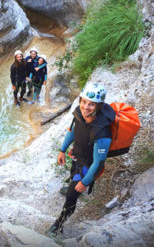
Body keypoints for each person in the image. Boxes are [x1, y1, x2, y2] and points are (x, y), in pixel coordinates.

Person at [47, 83, 116, 236]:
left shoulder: (103, 133)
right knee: (73, 176)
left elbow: (98, 163)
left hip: (88, 166)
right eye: (84, 102)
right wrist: (62, 150)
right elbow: (72, 131)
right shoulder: (79, 112)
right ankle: (73, 185)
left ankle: (58, 225)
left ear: (98, 106)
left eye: (91, 104)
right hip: (77, 157)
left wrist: (85, 182)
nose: (86, 107)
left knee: (72, 196)